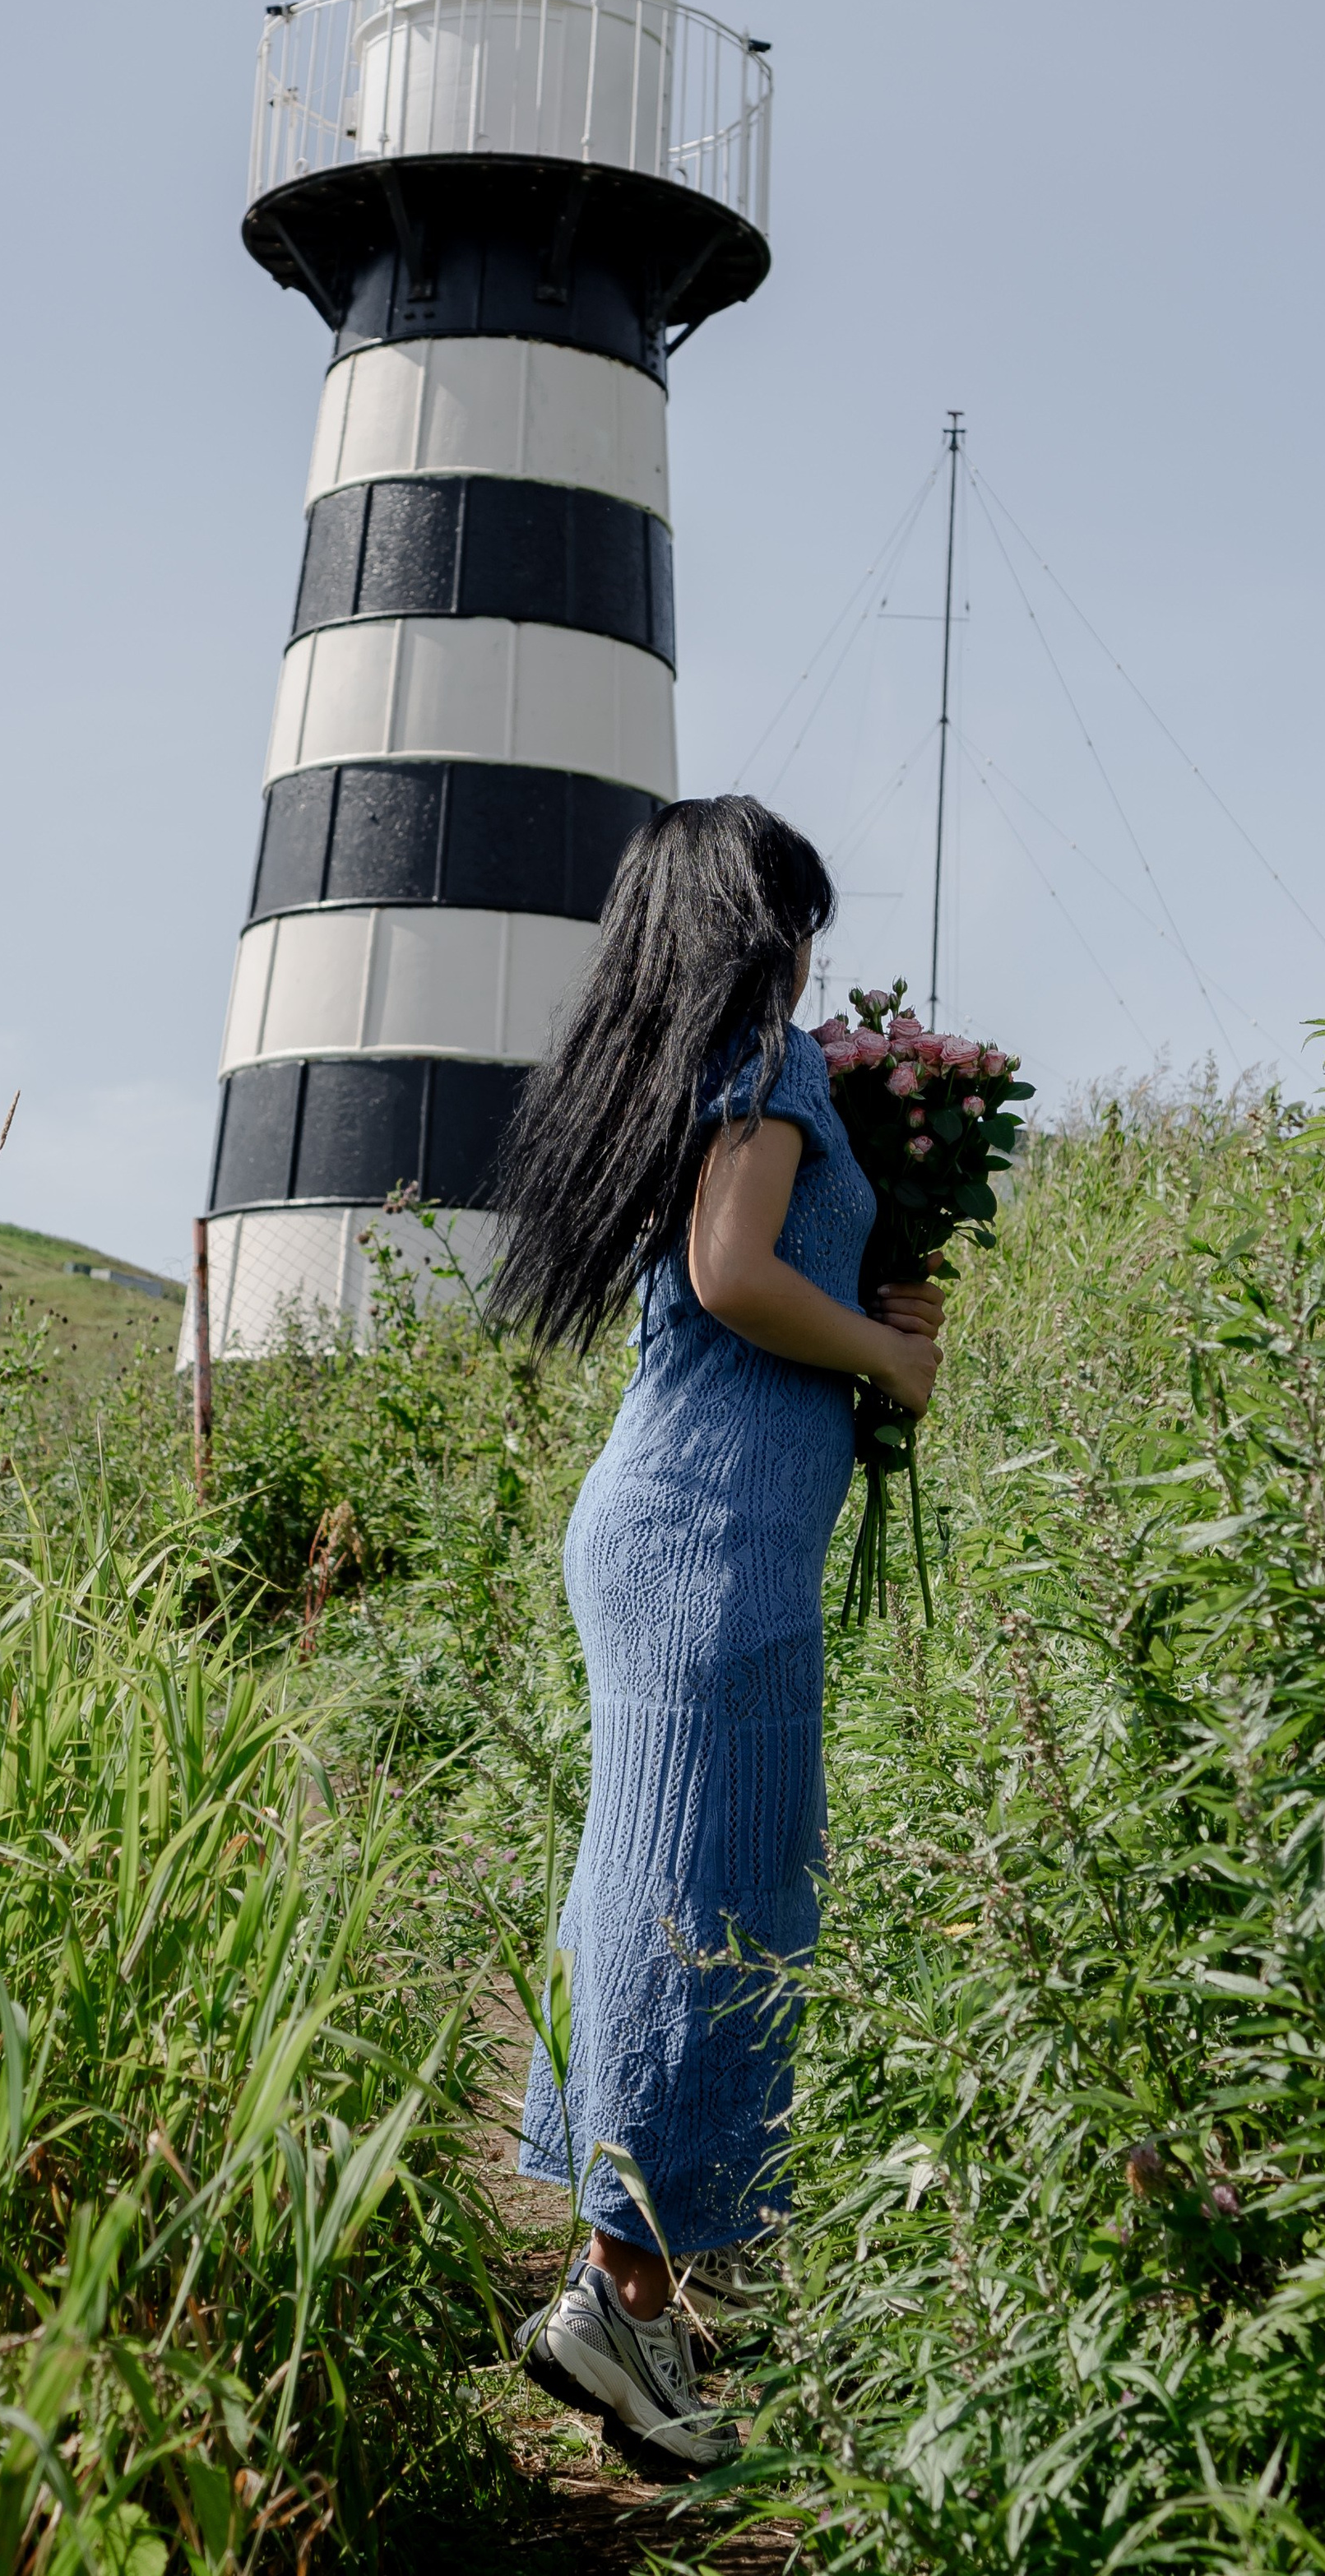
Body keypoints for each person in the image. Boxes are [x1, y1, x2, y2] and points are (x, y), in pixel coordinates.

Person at [495, 796, 945, 2469]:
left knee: (659, 1879)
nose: (815, 953)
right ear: (760, 929)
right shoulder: (761, 1070)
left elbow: (743, 1276)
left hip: (676, 1526)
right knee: (713, 1895)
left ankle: (634, 2290)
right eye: (801, 922)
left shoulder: (696, 1071)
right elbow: (735, 1273)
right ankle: (619, 2292)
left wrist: (869, 1308)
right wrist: (883, 1362)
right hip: (710, 1543)